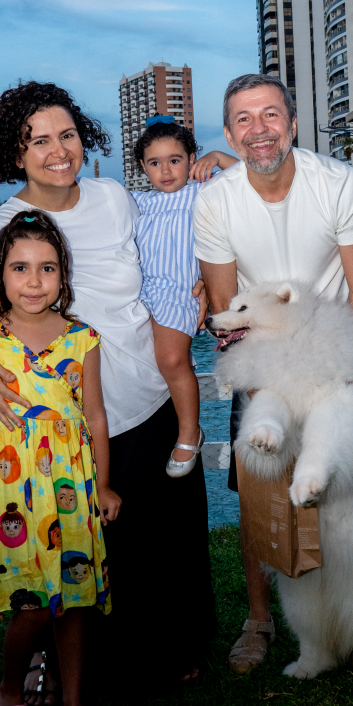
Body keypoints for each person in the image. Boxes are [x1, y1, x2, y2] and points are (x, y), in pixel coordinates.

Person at [0, 81, 216, 691]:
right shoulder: (1, 229)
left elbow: (172, 234)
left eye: (67, 135)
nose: (58, 150)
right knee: (85, 552)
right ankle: (67, 668)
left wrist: (198, 279)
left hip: (151, 400)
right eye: (40, 140)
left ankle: (177, 650)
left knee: (165, 548)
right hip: (66, 426)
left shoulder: (115, 196)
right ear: (16, 154)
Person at [192, 73, 353, 674]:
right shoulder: (216, 200)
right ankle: (259, 619)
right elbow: (225, 307)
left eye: (270, 115)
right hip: (264, 363)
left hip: (335, 358)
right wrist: (259, 389)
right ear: (228, 133)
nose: (258, 129)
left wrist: (349, 380)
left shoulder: (337, 183)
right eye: (243, 119)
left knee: (346, 498)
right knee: (259, 494)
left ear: (293, 123)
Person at [0, 209, 118, 706]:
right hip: (10, 491)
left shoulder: (82, 339)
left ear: (63, 275)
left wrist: (106, 486)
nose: (33, 281)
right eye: (20, 267)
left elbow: (94, 416)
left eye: (46, 269)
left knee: (72, 600)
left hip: (71, 485)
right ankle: (8, 693)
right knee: (28, 605)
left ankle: (74, 704)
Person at [131, 117, 213, 476]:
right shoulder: (138, 202)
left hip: (179, 291)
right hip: (142, 293)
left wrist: (218, 159)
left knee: (171, 360)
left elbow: (249, 178)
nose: (165, 170)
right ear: (143, 167)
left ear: (191, 159)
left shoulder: (203, 191)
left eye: (175, 160)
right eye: (154, 162)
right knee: (144, 365)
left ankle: (189, 433)